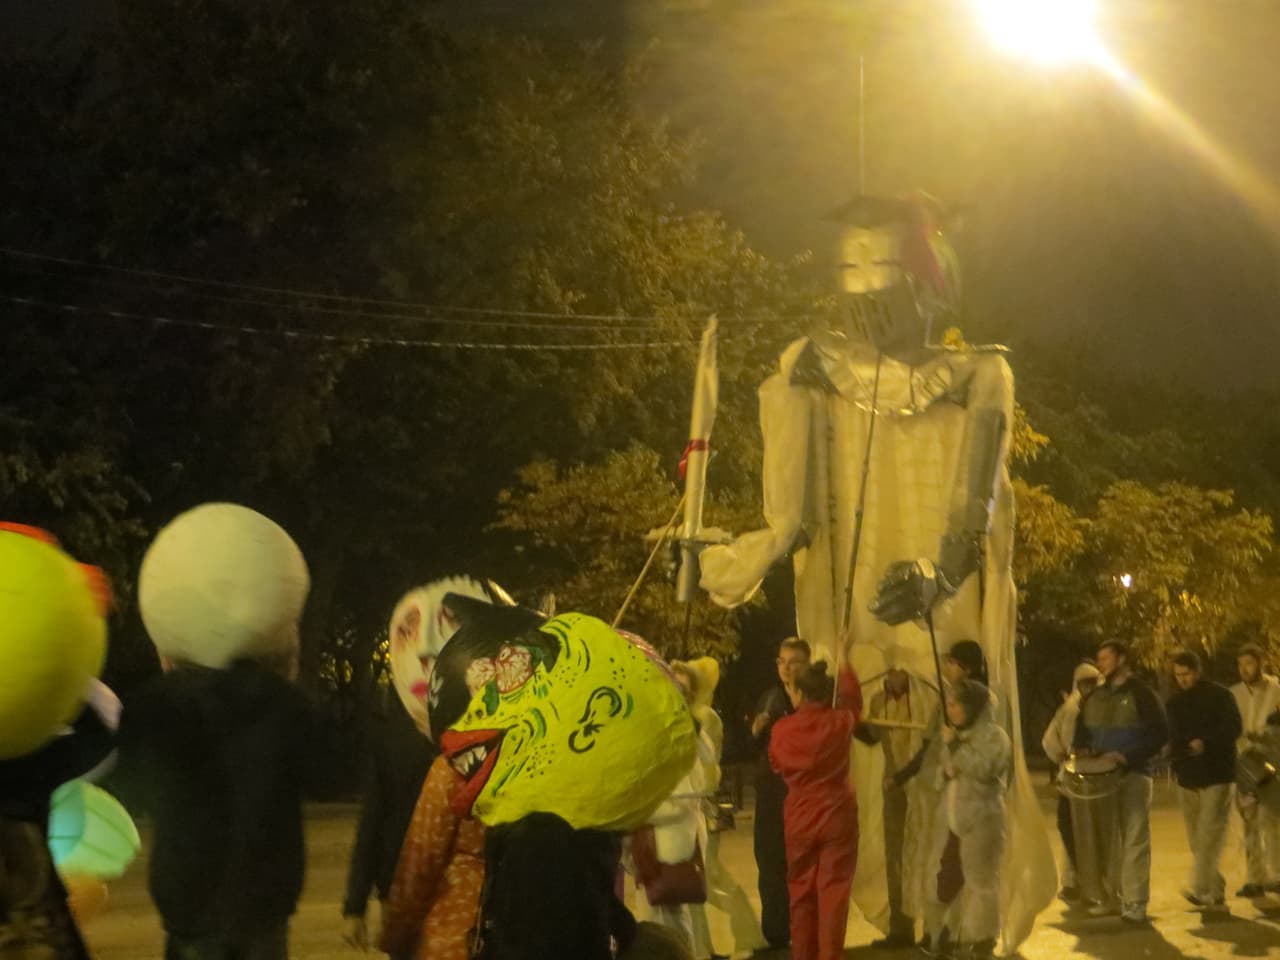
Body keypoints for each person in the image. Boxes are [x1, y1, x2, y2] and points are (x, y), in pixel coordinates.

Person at [118, 503, 318, 960]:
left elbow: (129, 782)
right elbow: (325, 771)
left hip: (189, 904)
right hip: (264, 907)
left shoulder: (156, 707)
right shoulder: (286, 706)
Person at [769, 652, 863, 960]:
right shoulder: (839, 722)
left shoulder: (782, 730)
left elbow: (776, 764)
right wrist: (846, 662)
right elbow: (853, 705)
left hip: (799, 816)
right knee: (833, 894)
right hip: (837, 813)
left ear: (797, 692)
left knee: (801, 894)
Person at [673, 658, 766, 960]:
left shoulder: (705, 719)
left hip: (702, 814)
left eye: (684, 688)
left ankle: (743, 931)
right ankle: (704, 948)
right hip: (684, 818)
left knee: (707, 881)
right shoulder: (674, 719)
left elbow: (708, 771)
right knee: (695, 889)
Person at [1072, 639, 1169, 923]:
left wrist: (1127, 756)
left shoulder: (1142, 694)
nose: (1101, 664)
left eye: (1106, 658)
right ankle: (1111, 898)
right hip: (1100, 780)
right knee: (1107, 842)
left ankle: (1135, 901)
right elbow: (1081, 733)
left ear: (1123, 659)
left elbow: (1160, 734)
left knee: (1135, 838)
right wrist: (1084, 750)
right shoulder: (1095, 697)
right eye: (1099, 659)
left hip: (1133, 774)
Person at [342, 691, 437, 955]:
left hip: (398, 878)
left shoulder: (391, 735)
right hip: (455, 885)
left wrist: (355, 905)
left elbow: (372, 822)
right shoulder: (470, 729)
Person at [923, 678, 1010, 960]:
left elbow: (985, 769)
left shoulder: (994, 736)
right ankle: (951, 930)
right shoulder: (954, 735)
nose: (950, 711)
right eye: (947, 705)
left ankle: (982, 936)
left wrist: (957, 749)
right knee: (950, 878)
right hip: (952, 819)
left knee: (981, 879)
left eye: (955, 704)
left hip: (983, 818)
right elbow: (942, 776)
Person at [854, 665, 940, 947]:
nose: (894, 676)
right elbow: (871, 736)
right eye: (889, 671)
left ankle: (933, 927)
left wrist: (906, 775)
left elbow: (929, 746)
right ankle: (900, 928)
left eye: (900, 670)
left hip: (923, 786)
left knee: (926, 852)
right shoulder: (879, 700)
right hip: (893, 788)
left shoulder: (925, 698)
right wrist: (850, 717)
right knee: (895, 854)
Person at [378, 754, 486, 960]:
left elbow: (422, 860)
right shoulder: (548, 763)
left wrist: (397, 936)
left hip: (455, 932)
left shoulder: (456, 765)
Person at [1165, 649, 1242, 909]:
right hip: (1187, 775)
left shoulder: (1220, 696)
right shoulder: (1175, 704)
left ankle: (1200, 888)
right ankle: (1215, 887)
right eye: (1178, 675)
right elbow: (1172, 734)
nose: (1182, 680)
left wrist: (1206, 742)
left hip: (1217, 774)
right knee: (1197, 839)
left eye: (1186, 674)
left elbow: (1233, 727)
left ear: (1197, 671)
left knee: (1209, 832)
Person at [749, 637, 811, 948]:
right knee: (770, 862)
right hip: (770, 794)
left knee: (800, 866)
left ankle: (802, 929)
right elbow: (754, 746)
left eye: (793, 662)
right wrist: (757, 731)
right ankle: (776, 934)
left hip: (802, 796)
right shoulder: (771, 698)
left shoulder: (815, 701)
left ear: (807, 665)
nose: (786, 669)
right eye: (781, 662)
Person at [1040, 661, 1101, 902]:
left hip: (1074, 773)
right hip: (1088, 775)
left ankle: (1074, 881)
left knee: (1072, 828)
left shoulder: (1068, 707)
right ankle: (1084, 881)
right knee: (1081, 829)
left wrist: (1060, 757)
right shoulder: (1089, 706)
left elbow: (1049, 741)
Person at [1230, 642, 1280, 897]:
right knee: (1247, 822)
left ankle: (1276, 875)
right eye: (1240, 664)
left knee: (1271, 821)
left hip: (1271, 764)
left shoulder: (1276, 690)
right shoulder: (1234, 694)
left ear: (1261, 662)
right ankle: (1254, 878)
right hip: (1244, 764)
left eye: (1249, 663)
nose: (1244, 669)